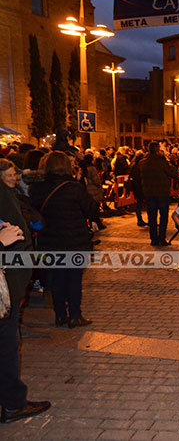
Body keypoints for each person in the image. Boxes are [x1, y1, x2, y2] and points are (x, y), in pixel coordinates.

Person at [0, 161, 52, 423]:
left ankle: (12, 401)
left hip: (9, 276)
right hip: (6, 281)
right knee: (6, 345)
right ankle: (13, 403)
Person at [30, 151, 99, 328]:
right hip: (74, 241)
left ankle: (60, 314)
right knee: (74, 279)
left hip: (50, 241)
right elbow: (92, 209)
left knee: (57, 278)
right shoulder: (74, 188)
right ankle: (75, 315)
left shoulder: (37, 189)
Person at [139, 142, 177, 246]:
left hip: (149, 193)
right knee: (163, 216)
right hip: (162, 192)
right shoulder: (161, 162)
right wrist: (169, 161)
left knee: (152, 217)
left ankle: (153, 239)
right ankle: (162, 238)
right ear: (157, 150)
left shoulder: (142, 163)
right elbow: (173, 173)